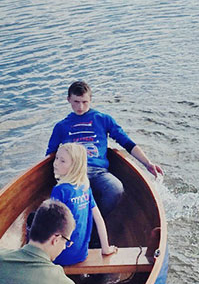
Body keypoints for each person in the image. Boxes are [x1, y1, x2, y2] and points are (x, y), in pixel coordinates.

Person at [46, 80, 163, 216]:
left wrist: (148, 163)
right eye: (76, 102)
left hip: (98, 171)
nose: (80, 107)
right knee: (70, 197)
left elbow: (126, 143)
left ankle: (96, 219)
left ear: (90, 99)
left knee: (116, 188)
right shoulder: (61, 126)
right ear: (69, 100)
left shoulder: (103, 119)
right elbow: (50, 154)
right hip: (73, 172)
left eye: (84, 102)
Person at [51, 142, 117, 266]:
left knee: (33, 219)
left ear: (74, 166)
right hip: (81, 254)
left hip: (60, 256)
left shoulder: (60, 190)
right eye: (57, 158)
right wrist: (106, 249)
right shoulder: (85, 187)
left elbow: (52, 224)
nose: (56, 163)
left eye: (62, 161)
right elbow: (99, 219)